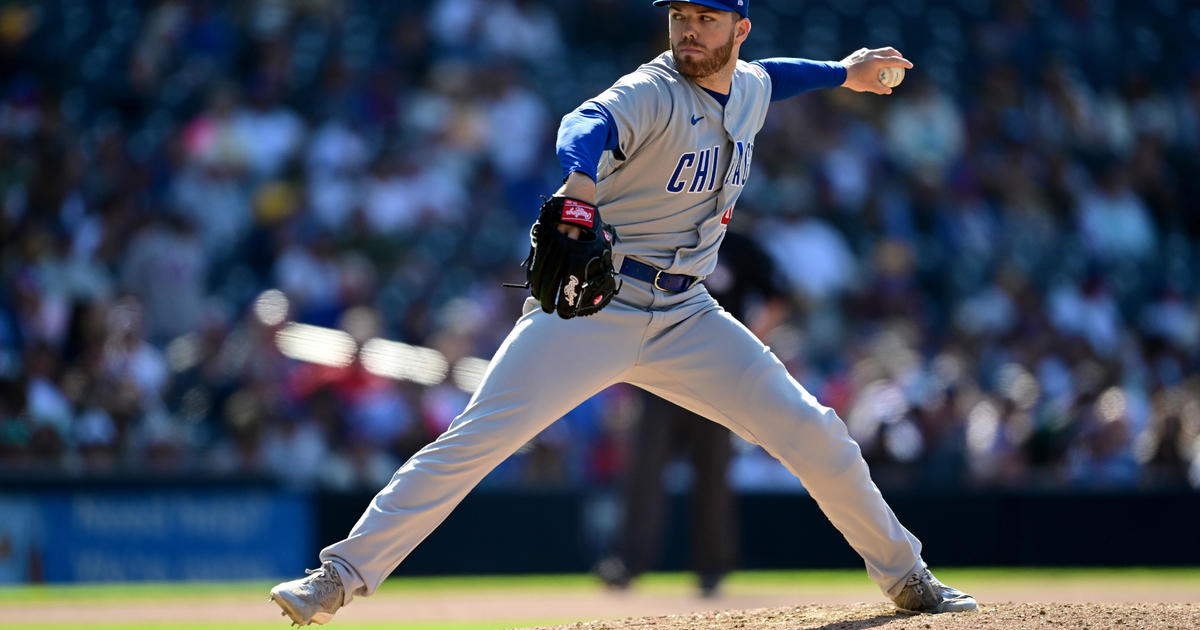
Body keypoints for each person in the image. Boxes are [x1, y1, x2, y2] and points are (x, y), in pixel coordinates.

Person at [269, 1, 977, 625]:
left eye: (704, 19)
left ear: (739, 28)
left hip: (688, 315)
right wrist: (580, 179)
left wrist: (843, 71)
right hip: (595, 310)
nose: (688, 31)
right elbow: (588, 119)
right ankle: (336, 578)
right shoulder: (652, 90)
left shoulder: (747, 84)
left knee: (815, 431)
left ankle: (906, 578)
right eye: (679, 17)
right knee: (474, 440)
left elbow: (775, 77)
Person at [594, 229, 788, 598]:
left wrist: (744, 343)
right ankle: (627, 562)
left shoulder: (739, 245)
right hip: (658, 375)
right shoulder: (666, 233)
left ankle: (712, 568)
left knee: (713, 475)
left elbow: (777, 298)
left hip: (715, 379)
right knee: (644, 472)